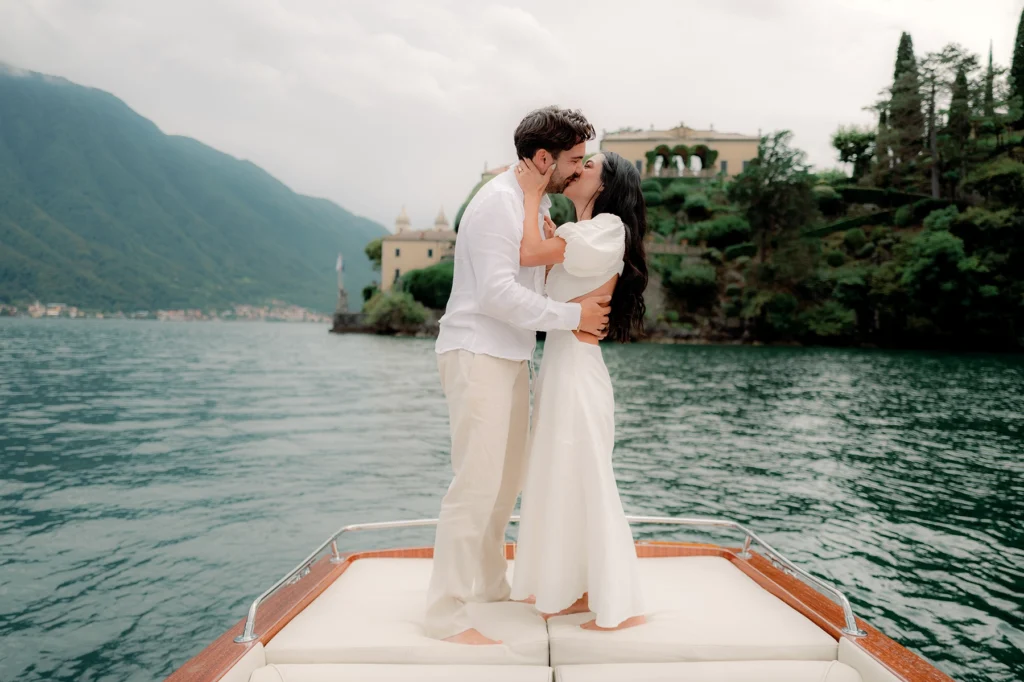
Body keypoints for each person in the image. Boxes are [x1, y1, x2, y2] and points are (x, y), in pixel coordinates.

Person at [425, 107, 614, 645]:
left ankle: (487, 586)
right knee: (476, 484)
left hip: (508, 356)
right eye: (573, 160)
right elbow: (497, 295)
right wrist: (573, 317)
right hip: (477, 351)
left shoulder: (533, 204)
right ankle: (444, 614)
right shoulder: (496, 204)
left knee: (505, 482)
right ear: (542, 158)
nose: (578, 170)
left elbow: (530, 279)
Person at [509, 151, 648, 631]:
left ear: (606, 185)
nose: (577, 168)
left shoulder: (606, 229)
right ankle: (577, 588)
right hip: (561, 366)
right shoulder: (581, 233)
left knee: (587, 475)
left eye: (588, 166)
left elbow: (526, 254)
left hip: (577, 371)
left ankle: (618, 603)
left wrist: (530, 196)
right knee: (561, 475)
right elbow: (545, 278)